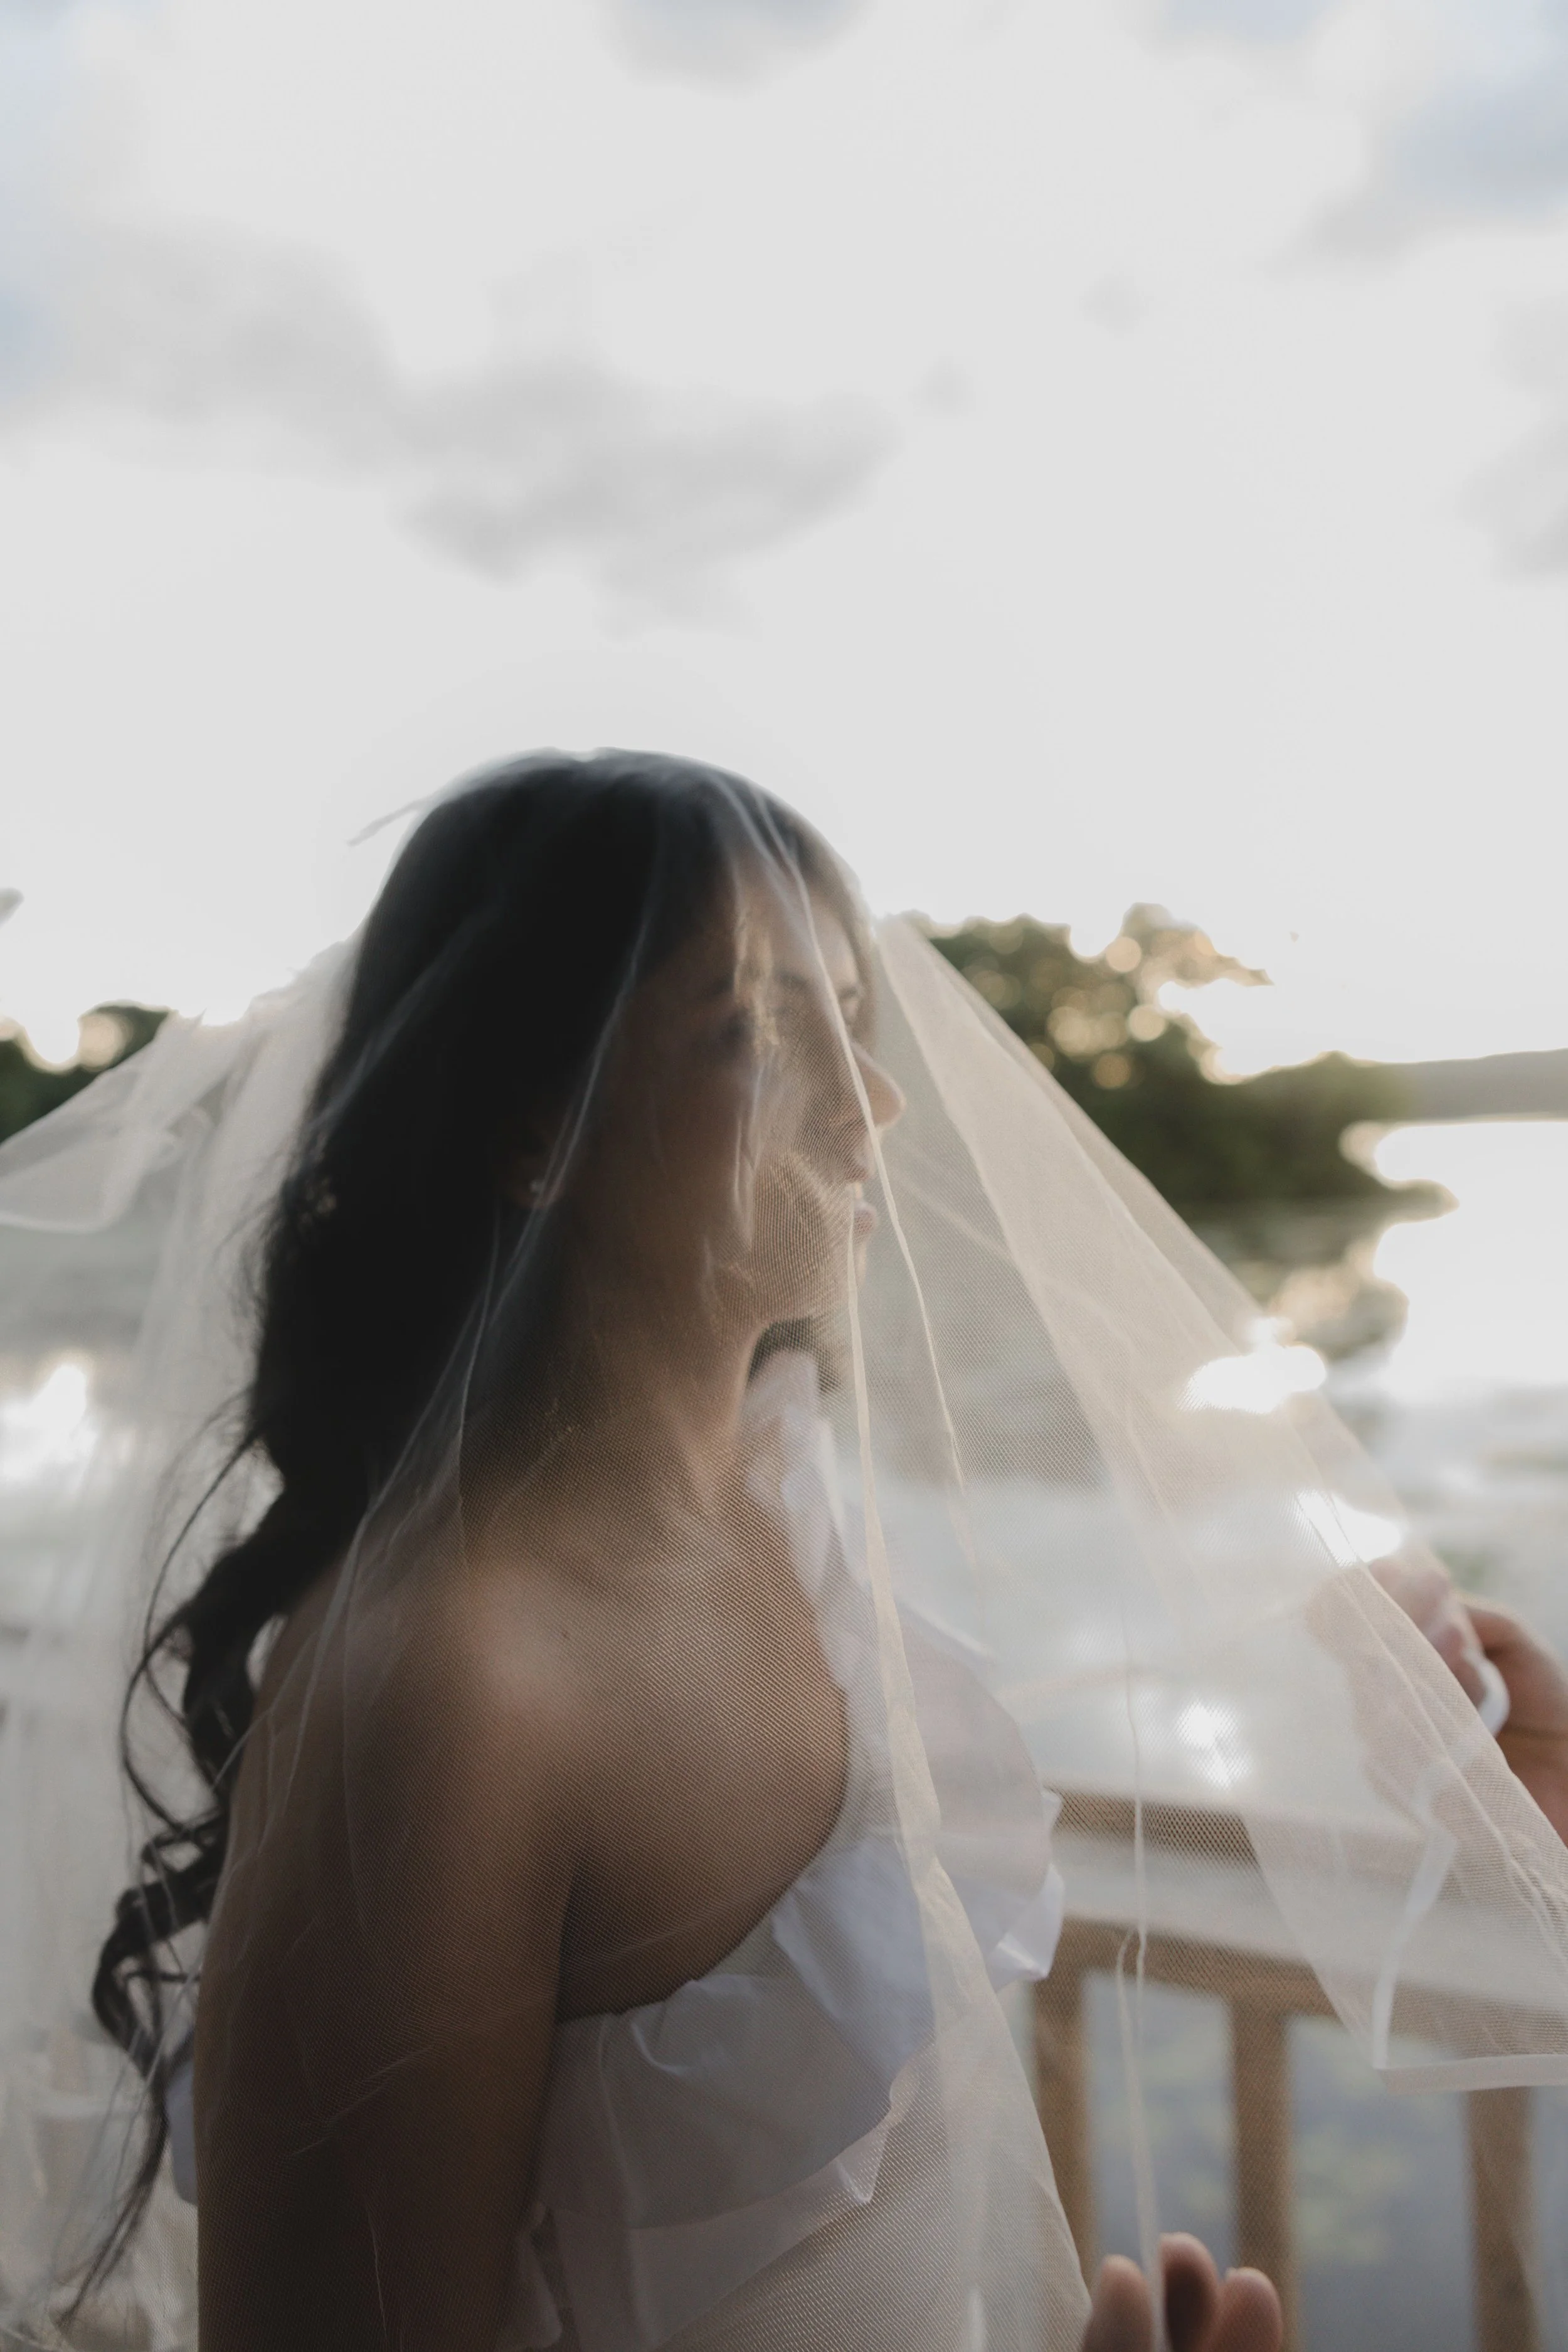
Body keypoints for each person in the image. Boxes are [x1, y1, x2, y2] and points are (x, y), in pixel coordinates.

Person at [3, 750, 1565, 2352]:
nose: (868, 1098)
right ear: (532, 1127)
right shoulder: (458, 1680)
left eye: (849, 1013)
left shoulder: (784, 1499)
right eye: (753, 1026)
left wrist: (1439, 1756)